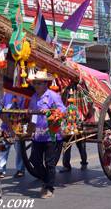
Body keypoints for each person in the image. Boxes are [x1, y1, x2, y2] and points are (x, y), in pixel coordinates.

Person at [27, 71, 66, 199]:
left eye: (39, 83)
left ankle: (49, 188)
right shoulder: (34, 97)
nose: (36, 85)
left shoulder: (53, 96)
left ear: (45, 84)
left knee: (50, 163)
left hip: (52, 134)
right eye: (35, 83)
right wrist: (29, 131)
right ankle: (46, 180)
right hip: (38, 135)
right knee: (34, 160)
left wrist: (50, 111)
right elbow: (33, 116)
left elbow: (63, 111)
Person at [0, 91, 26, 178]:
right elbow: (1, 106)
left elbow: (25, 109)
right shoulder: (7, 94)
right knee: (3, 148)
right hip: (6, 125)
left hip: (18, 125)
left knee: (19, 150)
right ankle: (0, 170)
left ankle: (20, 169)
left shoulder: (23, 95)